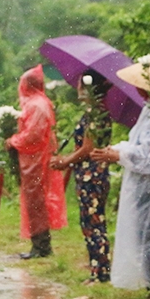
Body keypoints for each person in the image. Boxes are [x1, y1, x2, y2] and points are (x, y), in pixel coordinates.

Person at [92, 56, 150, 295]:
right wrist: (119, 149)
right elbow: (139, 143)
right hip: (145, 185)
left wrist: (120, 155)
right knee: (144, 235)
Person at [51, 72, 113, 283]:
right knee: (89, 222)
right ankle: (96, 268)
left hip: (92, 174)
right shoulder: (91, 113)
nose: (77, 88)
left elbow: (88, 148)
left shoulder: (97, 113)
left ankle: (100, 272)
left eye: (80, 84)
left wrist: (65, 160)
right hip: (87, 173)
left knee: (94, 222)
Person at [7, 65, 66, 259]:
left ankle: (41, 246)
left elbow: (33, 134)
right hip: (37, 158)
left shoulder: (35, 105)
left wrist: (13, 141)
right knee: (36, 200)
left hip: (35, 159)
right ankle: (40, 244)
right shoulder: (41, 102)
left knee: (36, 201)